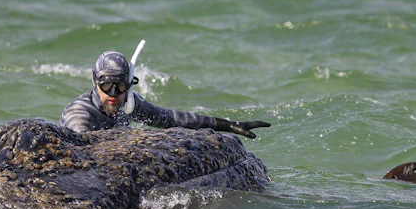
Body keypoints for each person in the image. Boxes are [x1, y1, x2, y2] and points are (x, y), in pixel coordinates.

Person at [60, 50, 271, 138]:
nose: (114, 94)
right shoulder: (79, 114)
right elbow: (82, 149)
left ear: (129, 85)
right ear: (95, 81)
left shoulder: (128, 103)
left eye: (121, 86)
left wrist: (227, 125)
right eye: (107, 85)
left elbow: (172, 119)